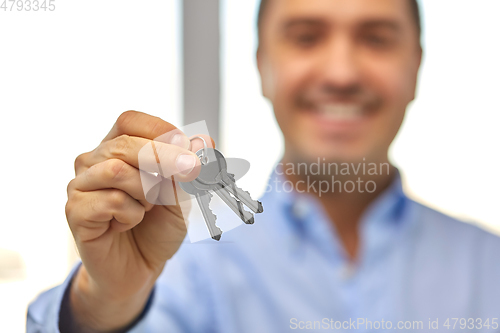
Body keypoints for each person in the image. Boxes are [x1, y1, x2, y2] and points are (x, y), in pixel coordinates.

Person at [27, 0, 500, 332]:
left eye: (376, 38)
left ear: (415, 65)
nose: (341, 73)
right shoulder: (177, 266)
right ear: (260, 65)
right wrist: (104, 302)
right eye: (305, 37)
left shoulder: (489, 269)